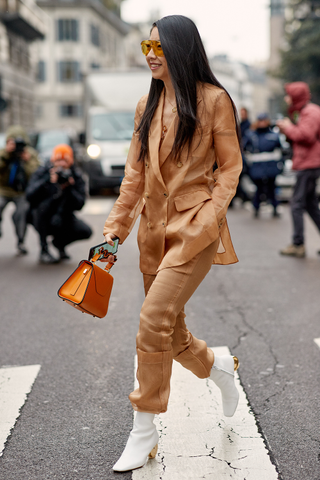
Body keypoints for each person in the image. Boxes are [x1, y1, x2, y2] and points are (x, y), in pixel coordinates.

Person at [102, 15, 243, 473]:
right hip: (151, 232)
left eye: (159, 47)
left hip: (193, 230)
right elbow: (135, 175)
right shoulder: (147, 104)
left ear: (181, 50)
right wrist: (115, 230)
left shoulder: (215, 100)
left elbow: (230, 169)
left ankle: (143, 433)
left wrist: (207, 217)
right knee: (172, 333)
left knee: (152, 318)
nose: (150, 53)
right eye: (147, 44)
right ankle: (219, 368)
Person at [26, 143, 92, 264]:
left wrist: (69, 188)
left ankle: (59, 244)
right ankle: (43, 250)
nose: (61, 164)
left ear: (71, 162)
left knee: (86, 231)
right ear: (53, 161)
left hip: (64, 215)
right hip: (43, 215)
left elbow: (80, 205)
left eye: (65, 161)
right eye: (58, 160)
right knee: (39, 211)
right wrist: (47, 181)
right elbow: (29, 195)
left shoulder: (75, 176)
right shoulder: (44, 172)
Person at [277, 82, 320, 257]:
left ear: (296, 96)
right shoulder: (306, 111)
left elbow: (306, 136)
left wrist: (287, 127)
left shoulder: (310, 112)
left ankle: (298, 244)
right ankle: (298, 243)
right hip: (309, 163)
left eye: (289, 95)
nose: (286, 99)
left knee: (296, 204)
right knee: (310, 205)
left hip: (309, 164)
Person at [0, 125, 40, 255]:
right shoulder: (3, 153)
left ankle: (21, 241)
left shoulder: (30, 154)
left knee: (20, 213)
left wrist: (27, 161)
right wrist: (6, 154)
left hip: (22, 192)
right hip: (3, 190)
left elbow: (36, 174)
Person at [244, 112, 284, 218]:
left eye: (264, 120)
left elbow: (281, 151)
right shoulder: (251, 135)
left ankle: (275, 208)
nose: (262, 123)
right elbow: (243, 149)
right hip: (257, 168)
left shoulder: (274, 135)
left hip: (270, 167)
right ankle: (256, 208)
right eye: (260, 121)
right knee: (259, 189)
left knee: (271, 188)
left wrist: (280, 166)